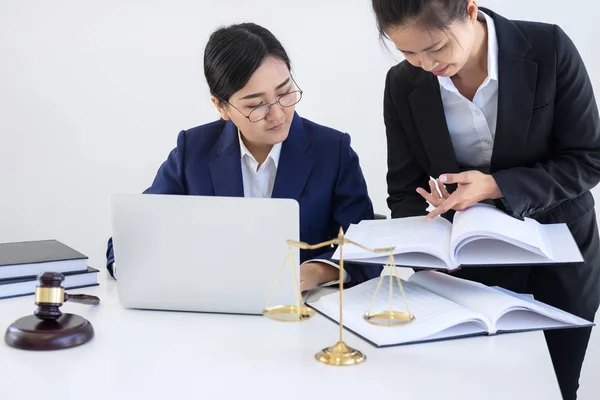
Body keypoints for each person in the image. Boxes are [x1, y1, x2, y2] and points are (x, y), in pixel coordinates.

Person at [371, 1, 600, 398]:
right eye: (408, 52)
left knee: (555, 388)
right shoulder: (402, 83)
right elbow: (404, 192)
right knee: (474, 389)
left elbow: (588, 158)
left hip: (559, 259)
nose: (425, 64)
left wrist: (495, 186)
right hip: (466, 269)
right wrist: (427, 261)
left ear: (471, 9)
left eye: (436, 47)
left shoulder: (548, 47)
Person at [105, 23, 381, 291]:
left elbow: (368, 251)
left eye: (285, 93)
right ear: (221, 107)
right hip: (212, 313)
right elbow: (129, 238)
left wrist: (316, 271)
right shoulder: (193, 151)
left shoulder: (333, 151)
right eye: (256, 105)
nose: (277, 114)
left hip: (301, 314)